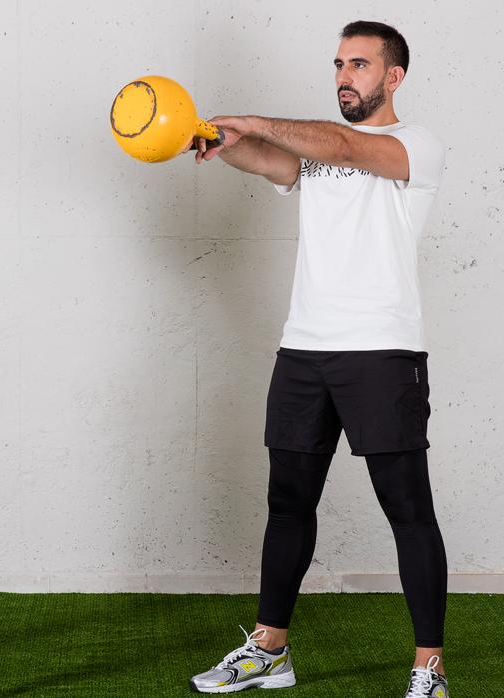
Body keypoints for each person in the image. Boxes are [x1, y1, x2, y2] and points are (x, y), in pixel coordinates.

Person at [187, 21, 451, 697]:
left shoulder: (411, 145)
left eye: (359, 64)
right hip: (304, 349)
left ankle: (429, 667)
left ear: (393, 77)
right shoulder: (324, 158)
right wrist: (222, 142)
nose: (344, 75)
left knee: (407, 508)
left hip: (381, 353)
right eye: (339, 63)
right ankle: (270, 648)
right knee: (287, 502)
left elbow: (336, 142)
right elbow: (275, 164)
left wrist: (252, 119)